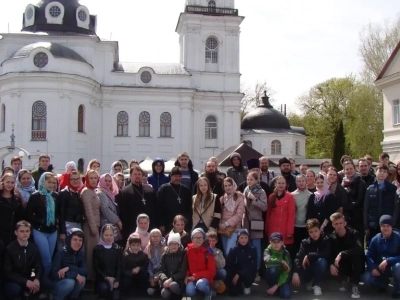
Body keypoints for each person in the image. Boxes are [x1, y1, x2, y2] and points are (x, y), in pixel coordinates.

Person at [25, 172, 58, 290]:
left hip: (52, 231)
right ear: (43, 182)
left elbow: (58, 213)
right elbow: (29, 214)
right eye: (49, 182)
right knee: (46, 260)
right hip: (39, 230)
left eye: (54, 182)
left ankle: (44, 282)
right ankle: (42, 283)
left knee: (50, 259)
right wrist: (40, 221)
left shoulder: (55, 196)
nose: (51, 185)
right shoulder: (35, 196)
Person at [2, 221, 43, 300]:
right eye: (22, 231)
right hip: (14, 280)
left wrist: (36, 279)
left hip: (30, 277)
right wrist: (25, 281)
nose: (25, 233)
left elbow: (38, 266)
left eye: (27, 231)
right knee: (14, 289)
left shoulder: (33, 247)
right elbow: (7, 273)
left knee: (45, 284)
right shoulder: (9, 249)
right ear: (16, 232)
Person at [363, 215, 400, 298]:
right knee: (366, 277)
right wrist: (372, 267)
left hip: (393, 266)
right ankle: (382, 284)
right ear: (380, 227)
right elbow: (369, 255)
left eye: (388, 226)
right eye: (383, 226)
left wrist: (389, 260)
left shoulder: (398, 237)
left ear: (391, 227)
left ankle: (397, 290)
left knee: (398, 267)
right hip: (380, 267)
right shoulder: (376, 239)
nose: (385, 228)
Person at [292, 219, 331, 297]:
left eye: (316, 231)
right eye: (311, 232)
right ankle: (310, 280)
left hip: (320, 267)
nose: (314, 234)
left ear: (320, 229)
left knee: (321, 261)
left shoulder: (326, 239)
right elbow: (299, 257)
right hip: (308, 267)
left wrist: (309, 255)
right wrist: (295, 272)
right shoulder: (305, 242)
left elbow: (326, 254)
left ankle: (317, 284)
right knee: (298, 278)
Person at [117, 165, 157, 241]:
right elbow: (123, 213)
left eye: (139, 174)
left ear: (142, 176)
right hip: (132, 228)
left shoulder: (150, 190)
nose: (137, 176)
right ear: (130, 176)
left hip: (149, 227)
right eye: (135, 174)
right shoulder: (125, 192)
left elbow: (155, 209)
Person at [330, 212, 364, 299]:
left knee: (356, 256)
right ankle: (344, 279)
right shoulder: (332, 236)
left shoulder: (354, 233)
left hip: (355, 262)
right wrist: (330, 264)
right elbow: (329, 252)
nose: (339, 226)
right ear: (333, 225)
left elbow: (359, 249)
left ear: (345, 223)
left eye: (341, 223)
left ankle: (355, 285)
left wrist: (342, 254)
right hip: (343, 262)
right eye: (336, 224)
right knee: (335, 262)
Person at [364, 164, 398, 245]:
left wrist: (392, 222)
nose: (382, 173)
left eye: (384, 172)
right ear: (376, 172)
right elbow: (366, 209)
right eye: (380, 171)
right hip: (373, 225)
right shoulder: (370, 189)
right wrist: (366, 226)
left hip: (387, 225)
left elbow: (396, 208)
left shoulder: (393, 189)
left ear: (387, 174)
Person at [243, 171, 267, 282]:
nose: (249, 181)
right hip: (246, 222)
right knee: (247, 248)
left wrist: (254, 199)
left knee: (256, 248)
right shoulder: (246, 189)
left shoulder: (261, 191)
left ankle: (257, 271)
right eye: (248, 179)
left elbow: (264, 207)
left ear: (257, 180)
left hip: (256, 222)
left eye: (251, 179)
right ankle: (249, 270)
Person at [51, 228, 87, 300]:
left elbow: (85, 271)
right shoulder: (60, 254)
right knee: (70, 282)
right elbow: (54, 274)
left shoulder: (81, 254)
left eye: (80, 240)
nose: (78, 242)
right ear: (69, 240)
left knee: (82, 279)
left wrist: (69, 268)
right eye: (75, 239)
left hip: (71, 284)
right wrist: (74, 274)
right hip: (58, 284)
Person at [157, 167, 192, 234]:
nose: (177, 178)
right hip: (167, 223)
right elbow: (158, 207)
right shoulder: (164, 189)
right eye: (175, 176)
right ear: (171, 176)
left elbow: (189, 209)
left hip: (182, 225)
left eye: (179, 176)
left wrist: (187, 223)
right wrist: (161, 224)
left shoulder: (186, 190)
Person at [267, 176, 296, 254]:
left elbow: (291, 214)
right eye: (279, 183)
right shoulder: (271, 197)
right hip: (273, 228)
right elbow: (268, 214)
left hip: (285, 228)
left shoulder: (289, 196)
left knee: (284, 252)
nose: (281, 185)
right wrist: (267, 229)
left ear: (286, 184)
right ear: (275, 184)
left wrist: (290, 231)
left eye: (283, 183)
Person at [185, 228, 216, 299]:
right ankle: (200, 294)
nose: (198, 239)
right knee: (189, 291)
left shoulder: (208, 252)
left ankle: (208, 293)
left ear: (203, 239)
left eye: (200, 237)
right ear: (192, 239)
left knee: (200, 284)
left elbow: (212, 271)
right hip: (191, 278)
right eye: (196, 237)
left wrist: (196, 276)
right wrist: (186, 276)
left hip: (204, 279)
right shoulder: (187, 251)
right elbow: (185, 266)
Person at [93, 224, 122, 300]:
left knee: (116, 297)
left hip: (114, 280)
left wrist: (117, 280)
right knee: (104, 289)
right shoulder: (97, 249)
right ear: (102, 235)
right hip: (102, 279)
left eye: (110, 235)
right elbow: (96, 266)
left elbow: (119, 266)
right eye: (106, 235)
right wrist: (106, 277)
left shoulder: (117, 248)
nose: (108, 237)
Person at [58, 171, 86, 250]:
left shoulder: (77, 192)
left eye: (77, 179)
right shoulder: (64, 193)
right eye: (72, 179)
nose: (75, 181)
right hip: (68, 225)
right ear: (68, 180)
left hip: (78, 224)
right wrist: (62, 232)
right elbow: (61, 213)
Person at [225, 228, 257, 296]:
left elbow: (253, 266)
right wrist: (234, 275)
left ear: (248, 239)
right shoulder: (233, 250)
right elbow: (229, 265)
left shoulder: (252, 249)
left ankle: (247, 286)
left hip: (247, 272)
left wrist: (239, 274)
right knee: (233, 292)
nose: (244, 240)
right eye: (241, 237)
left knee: (250, 272)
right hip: (236, 272)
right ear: (238, 239)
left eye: (246, 237)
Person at [218, 177, 245, 256]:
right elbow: (218, 212)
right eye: (225, 186)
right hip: (223, 229)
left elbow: (239, 215)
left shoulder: (239, 197)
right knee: (225, 251)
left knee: (230, 251)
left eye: (229, 185)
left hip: (234, 229)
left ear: (233, 185)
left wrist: (226, 223)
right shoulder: (222, 198)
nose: (227, 188)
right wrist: (220, 223)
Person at [157, 232, 187, 300]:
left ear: (179, 245)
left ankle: (179, 296)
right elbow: (160, 271)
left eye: (176, 244)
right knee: (164, 293)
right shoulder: (165, 255)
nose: (174, 246)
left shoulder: (183, 255)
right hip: (167, 280)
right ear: (168, 245)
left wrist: (172, 279)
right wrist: (165, 279)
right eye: (171, 244)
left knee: (173, 285)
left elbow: (182, 272)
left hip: (178, 281)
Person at [342, 161, 367, 239]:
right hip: (346, 216)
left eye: (351, 169)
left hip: (357, 215)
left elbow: (360, 200)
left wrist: (346, 207)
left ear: (354, 169)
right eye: (347, 169)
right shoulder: (343, 182)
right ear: (344, 171)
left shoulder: (360, 181)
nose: (349, 171)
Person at [263, 232, 291, 299]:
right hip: (271, 276)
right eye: (274, 242)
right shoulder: (267, 251)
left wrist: (277, 285)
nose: (276, 244)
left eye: (278, 242)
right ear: (270, 242)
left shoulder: (286, 253)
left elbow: (287, 271)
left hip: (282, 278)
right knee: (272, 269)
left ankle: (276, 288)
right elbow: (267, 261)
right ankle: (271, 286)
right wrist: (280, 261)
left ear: (282, 242)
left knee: (286, 295)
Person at [0, 172, 24, 246]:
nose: (10, 185)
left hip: (13, 232)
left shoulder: (17, 198)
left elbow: (21, 216)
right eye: (7, 182)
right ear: (2, 183)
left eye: (12, 182)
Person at [98, 174, 123, 243]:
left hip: (112, 223)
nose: (108, 183)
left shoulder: (109, 193)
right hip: (107, 223)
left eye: (109, 181)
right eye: (105, 181)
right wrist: (118, 221)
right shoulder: (101, 193)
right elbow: (105, 209)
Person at [291, 174, 312, 257]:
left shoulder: (311, 195)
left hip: (306, 225)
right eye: (299, 181)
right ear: (296, 183)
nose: (301, 183)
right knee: (296, 247)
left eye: (303, 181)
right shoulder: (292, 195)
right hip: (295, 225)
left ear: (306, 182)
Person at [144, 229, 166, 296]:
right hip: (152, 273)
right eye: (153, 236)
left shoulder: (165, 248)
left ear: (161, 237)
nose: (155, 238)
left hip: (162, 272)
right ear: (150, 237)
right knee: (149, 291)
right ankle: (154, 287)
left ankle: (160, 288)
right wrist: (151, 277)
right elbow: (148, 264)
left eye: (157, 236)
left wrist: (158, 275)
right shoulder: (148, 248)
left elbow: (164, 265)